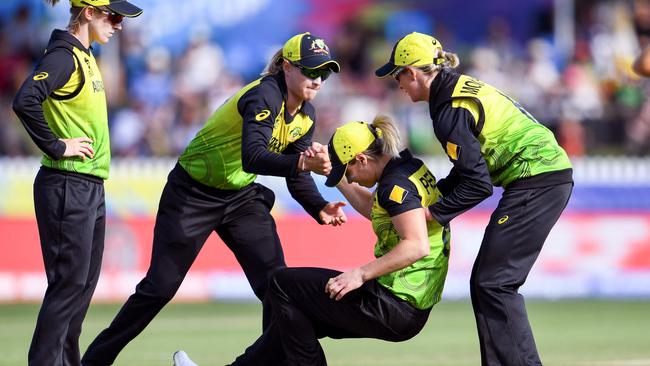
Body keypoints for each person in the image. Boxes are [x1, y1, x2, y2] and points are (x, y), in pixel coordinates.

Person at [81, 32, 347, 365]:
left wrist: (318, 205)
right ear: (287, 67)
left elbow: (296, 173)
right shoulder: (264, 96)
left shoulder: (306, 114)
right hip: (191, 194)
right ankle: (94, 361)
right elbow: (254, 156)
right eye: (311, 70)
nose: (318, 80)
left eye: (324, 72)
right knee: (159, 289)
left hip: (240, 198)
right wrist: (305, 161)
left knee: (276, 286)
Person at [173, 116, 451, 366]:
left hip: (393, 303)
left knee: (282, 283)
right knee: (293, 321)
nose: (349, 176)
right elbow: (375, 210)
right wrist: (339, 176)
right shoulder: (408, 167)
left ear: (362, 159)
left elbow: (416, 245)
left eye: (349, 170)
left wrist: (359, 274)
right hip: (406, 304)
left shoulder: (395, 185)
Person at [375, 32, 573, 366]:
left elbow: (478, 184)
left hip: (537, 180)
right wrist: (436, 194)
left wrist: (432, 213)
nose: (397, 84)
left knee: (493, 283)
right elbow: (470, 171)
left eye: (398, 75)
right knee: (489, 283)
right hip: (541, 177)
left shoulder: (448, 112)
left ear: (413, 72)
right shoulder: (456, 89)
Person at [11, 1, 142, 365]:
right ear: (88, 13)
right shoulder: (64, 55)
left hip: (87, 186)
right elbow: (25, 101)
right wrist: (56, 145)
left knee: (81, 287)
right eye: (112, 16)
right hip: (67, 184)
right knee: (68, 286)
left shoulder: (86, 56)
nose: (118, 24)